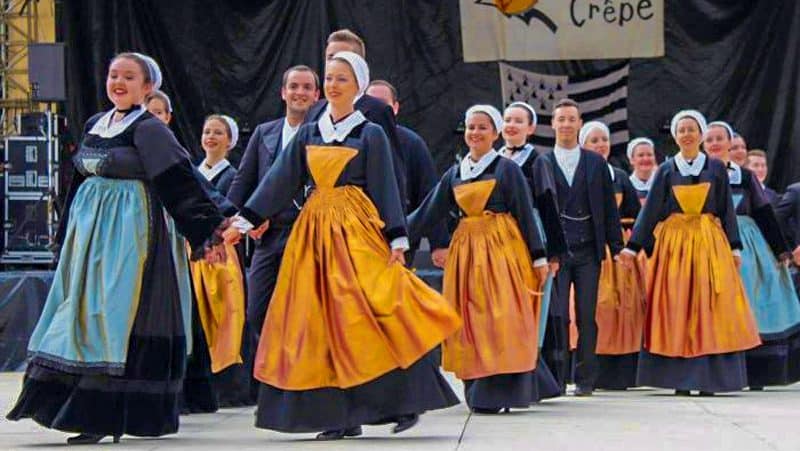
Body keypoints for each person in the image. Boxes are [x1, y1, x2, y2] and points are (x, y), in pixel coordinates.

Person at [229, 51, 461, 440]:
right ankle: (337, 412)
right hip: (314, 236)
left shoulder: (369, 133)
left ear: (358, 87)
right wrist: (246, 218)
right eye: (330, 78)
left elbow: (387, 187)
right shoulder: (309, 131)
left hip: (356, 232)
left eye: (342, 79)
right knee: (317, 321)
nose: (333, 85)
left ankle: (401, 399)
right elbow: (280, 179)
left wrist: (397, 238)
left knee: (368, 316)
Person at [6, 52, 227, 444]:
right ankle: (72, 405)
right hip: (88, 239)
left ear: (147, 87)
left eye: (129, 76)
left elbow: (179, 180)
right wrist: (64, 237)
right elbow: (75, 181)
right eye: (113, 75)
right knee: (77, 315)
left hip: (128, 238)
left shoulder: (149, 129)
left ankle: (105, 414)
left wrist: (205, 233)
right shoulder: (96, 124)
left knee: (112, 317)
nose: (118, 82)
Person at [409, 104, 558, 413]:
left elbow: (524, 214)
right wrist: (394, 233)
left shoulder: (506, 169)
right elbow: (428, 212)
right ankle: (476, 385)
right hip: (466, 254)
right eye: (471, 127)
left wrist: (539, 257)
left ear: (495, 133)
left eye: (482, 128)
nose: (475, 133)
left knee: (500, 319)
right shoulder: (455, 173)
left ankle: (502, 389)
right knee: (469, 319)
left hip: (502, 250)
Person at [619, 110, 761, 396]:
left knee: (711, 305)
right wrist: (633, 247)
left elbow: (725, 211)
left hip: (709, 241)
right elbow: (650, 212)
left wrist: (734, 246)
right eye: (681, 129)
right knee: (677, 304)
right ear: (675, 136)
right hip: (676, 246)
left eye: (691, 129)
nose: (686, 134)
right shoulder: (667, 170)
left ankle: (710, 377)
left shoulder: (717, 168)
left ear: (701, 134)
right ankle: (679, 377)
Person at [704, 121, 800, 390]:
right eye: (709, 139)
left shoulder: (744, 177)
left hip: (747, 242)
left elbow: (764, 213)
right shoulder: (696, 173)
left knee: (752, 300)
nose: (716, 144)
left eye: (722, 140)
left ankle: (755, 371)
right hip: (707, 240)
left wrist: (780, 250)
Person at [537, 99, 624, 396]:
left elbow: (609, 209)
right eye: (560, 119)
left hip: (588, 250)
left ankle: (586, 380)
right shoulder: (543, 162)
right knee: (558, 314)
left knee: (587, 314)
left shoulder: (596, 162)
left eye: (571, 119)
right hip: (557, 253)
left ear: (579, 122)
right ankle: (558, 379)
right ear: (553, 124)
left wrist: (616, 245)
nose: (565, 124)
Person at [227, 65, 319, 332]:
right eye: (294, 86)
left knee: (303, 317)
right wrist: (232, 221)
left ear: (316, 95)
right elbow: (243, 181)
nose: (299, 92)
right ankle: (260, 374)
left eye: (306, 87)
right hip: (268, 236)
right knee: (257, 314)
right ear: (283, 92)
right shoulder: (263, 132)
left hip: (309, 236)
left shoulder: (323, 135)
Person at [498, 101, 566, 400]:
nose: (511, 125)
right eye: (507, 119)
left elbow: (549, 206)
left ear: (530, 128)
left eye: (518, 120)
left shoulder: (537, 162)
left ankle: (530, 379)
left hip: (530, 236)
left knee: (530, 308)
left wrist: (553, 253)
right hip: (497, 242)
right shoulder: (491, 160)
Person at [307, 29, 408, 209]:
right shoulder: (315, 111)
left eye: (343, 57)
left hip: (360, 219)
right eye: (330, 57)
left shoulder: (377, 111)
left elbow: (390, 175)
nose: (336, 62)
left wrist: (394, 229)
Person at [579, 121, 645, 390]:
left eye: (603, 139)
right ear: (584, 144)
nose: (600, 144)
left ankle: (622, 372)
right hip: (591, 247)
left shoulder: (619, 176)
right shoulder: (578, 174)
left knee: (625, 309)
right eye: (593, 140)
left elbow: (635, 213)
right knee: (597, 308)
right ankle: (588, 368)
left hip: (617, 248)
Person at [365, 79, 448, 267]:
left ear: (395, 108)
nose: (376, 109)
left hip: (401, 236)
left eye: (382, 104)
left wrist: (439, 243)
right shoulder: (353, 139)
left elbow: (429, 194)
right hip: (359, 233)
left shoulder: (411, 143)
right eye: (371, 102)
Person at [627, 138, 657, 203]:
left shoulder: (664, 183)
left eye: (649, 155)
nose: (646, 159)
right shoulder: (626, 186)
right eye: (640, 155)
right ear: (631, 160)